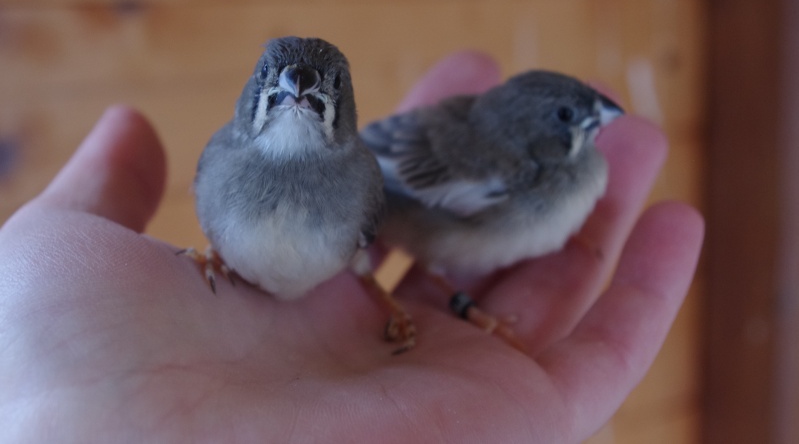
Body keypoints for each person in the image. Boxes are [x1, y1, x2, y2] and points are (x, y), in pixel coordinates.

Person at [0, 51, 704, 442]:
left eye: (317, 90)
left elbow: (364, 248)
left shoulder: (358, 184)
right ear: (253, 99)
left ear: (341, 107)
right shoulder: (222, 163)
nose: (294, 97)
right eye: (275, 89)